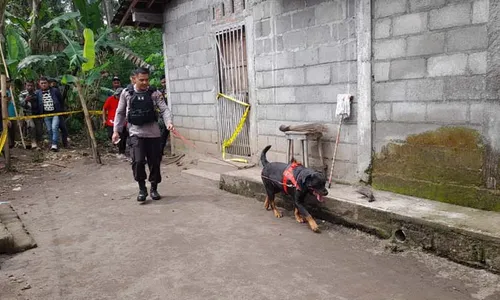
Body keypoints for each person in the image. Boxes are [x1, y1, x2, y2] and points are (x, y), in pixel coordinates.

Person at [113, 67, 174, 202]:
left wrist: (168, 122)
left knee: (155, 163)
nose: (145, 82)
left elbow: (164, 109)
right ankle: (142, 188)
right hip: (136, 133)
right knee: (138, 161)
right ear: (134, 79)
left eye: (147, 80)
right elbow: (120, 112)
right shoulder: (126, 93)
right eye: (142, 80)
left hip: (153, 134)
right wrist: (116, 131)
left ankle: (154, 188)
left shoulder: (154, 93)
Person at [35, 77, 64, 151]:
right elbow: (37, 104)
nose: (44, 85)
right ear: (39, 84)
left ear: (48, 83)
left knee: (54, 128)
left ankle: (54, 144)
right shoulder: (38, 93)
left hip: (55, 113)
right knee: (49, 129)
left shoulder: (55, 91)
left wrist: (61, 110)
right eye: (42, 83)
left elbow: (61, 100)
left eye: (45, 83)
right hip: (45, 114)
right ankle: (52, 143)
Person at [102, 87, 128, 158]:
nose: (117, 97)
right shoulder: (110, 99)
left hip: (123, 122)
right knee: (110, 135)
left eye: (118, 95)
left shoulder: (126, 100)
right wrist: (104, 119)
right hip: (111, 121)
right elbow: (104, 109)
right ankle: (118, 145)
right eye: (116, 95)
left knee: (123, 137)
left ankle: (122, 151)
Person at [19, 80, 43, 149]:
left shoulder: (37, 93)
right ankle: (33, 142)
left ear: (34, 86)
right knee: (31, 127)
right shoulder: (22, 94)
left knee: (39, 129)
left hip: (37, 114)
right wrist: (26, 100)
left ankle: (39, 143)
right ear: (25, 86)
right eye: (28, 85)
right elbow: (21, 104)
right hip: (28, 114)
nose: (30, 87)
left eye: (31, 85)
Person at [48, 78, 69, 148]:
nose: (53, 84)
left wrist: (62, 111)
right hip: (50, 113)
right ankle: (53, 144)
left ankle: (64, 144)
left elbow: (61, 101)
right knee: (52, 129)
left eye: (54, 82)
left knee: (63, 129)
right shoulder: (47, 91)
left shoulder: (57, 90)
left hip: (58, 113)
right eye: (51, 83)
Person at [158, 75, 170, 156]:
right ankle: (160, 151)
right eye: (162, 82)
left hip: (171, 114)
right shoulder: (160, 92)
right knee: (163, 134)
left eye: (165, 82)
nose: (164, 84)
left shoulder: (170, 91)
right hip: (163, 116)